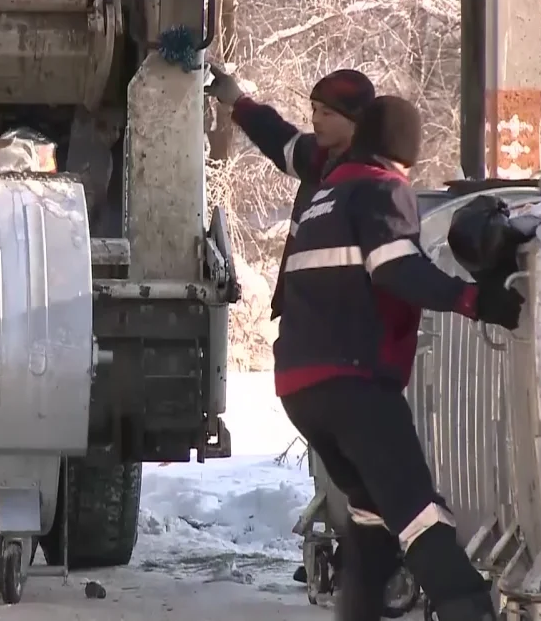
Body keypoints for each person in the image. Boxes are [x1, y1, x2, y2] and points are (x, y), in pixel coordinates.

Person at [275, 95, 523, 621]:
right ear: (401, 150)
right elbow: (396, 270)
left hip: (301, 387)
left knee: (372, 519)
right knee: (418, 513)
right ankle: (469, 608)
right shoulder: (383, 187)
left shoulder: (324, 196)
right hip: (355, 384)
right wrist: (477, 300)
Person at [205, 64, 375, 320]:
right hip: (300, 316)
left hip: (335, 327)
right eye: (315, 109)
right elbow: (278, 137)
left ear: (356, 122)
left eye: (327, 113)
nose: (315, 119)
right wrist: (238, 102)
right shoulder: (318, 160)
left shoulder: (367, 183)